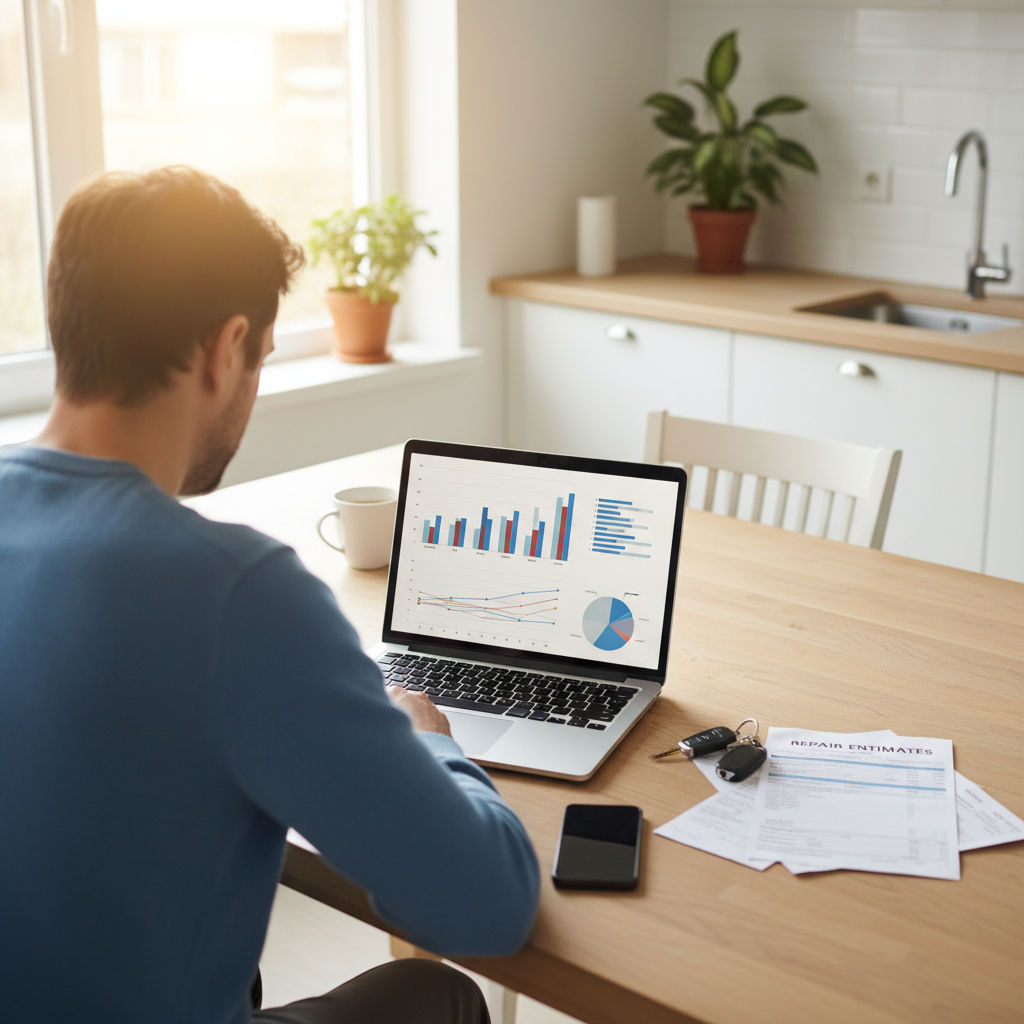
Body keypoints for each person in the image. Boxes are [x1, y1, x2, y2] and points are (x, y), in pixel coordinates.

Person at [0, 167, 540, 1023]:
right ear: (227, 347)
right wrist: (431, 741)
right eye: (262, 360)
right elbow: (484, 905)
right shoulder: (233, 594)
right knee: (435, 991)